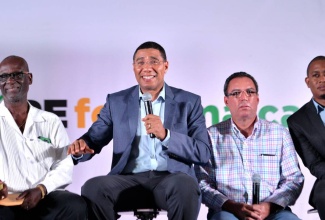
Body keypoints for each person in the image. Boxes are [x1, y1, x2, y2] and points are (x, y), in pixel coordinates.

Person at [68, 41, 211, 220]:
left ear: (165, 66)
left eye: (153, 61)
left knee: (186, 185)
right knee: (93, 187)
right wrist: (80, 149)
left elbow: (202, 152)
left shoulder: (189, 102)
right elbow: (93, 139)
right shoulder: (117, 101)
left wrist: (166, 136)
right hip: (128, 181)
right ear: (133, 67)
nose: (146, 67)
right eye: (140, 62)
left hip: (171, 180)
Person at [195, 72, 304, 220]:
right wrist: (231, 205)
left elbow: (293, 179)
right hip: (228, 211)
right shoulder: (211, 136)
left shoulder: (279, 134)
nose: (244, 97)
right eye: (236, 93)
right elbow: (202, 182)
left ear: (257, 99)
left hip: (273, 212)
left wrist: (270, 206)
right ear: (226, 101)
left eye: (250, 92)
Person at [0, 56, 87, 220]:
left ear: (29, 78)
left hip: (44, 196)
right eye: (3, 76)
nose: (10, 81)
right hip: (5, 201)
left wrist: (41, 189)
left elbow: (64, 163)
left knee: (75, 206)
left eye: (17, 75)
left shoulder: (51, 120)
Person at [287, 55, 325, 220]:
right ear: (307, 81)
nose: (322, 79)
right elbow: (314, 164)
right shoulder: (297, 121)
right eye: (316, 75)